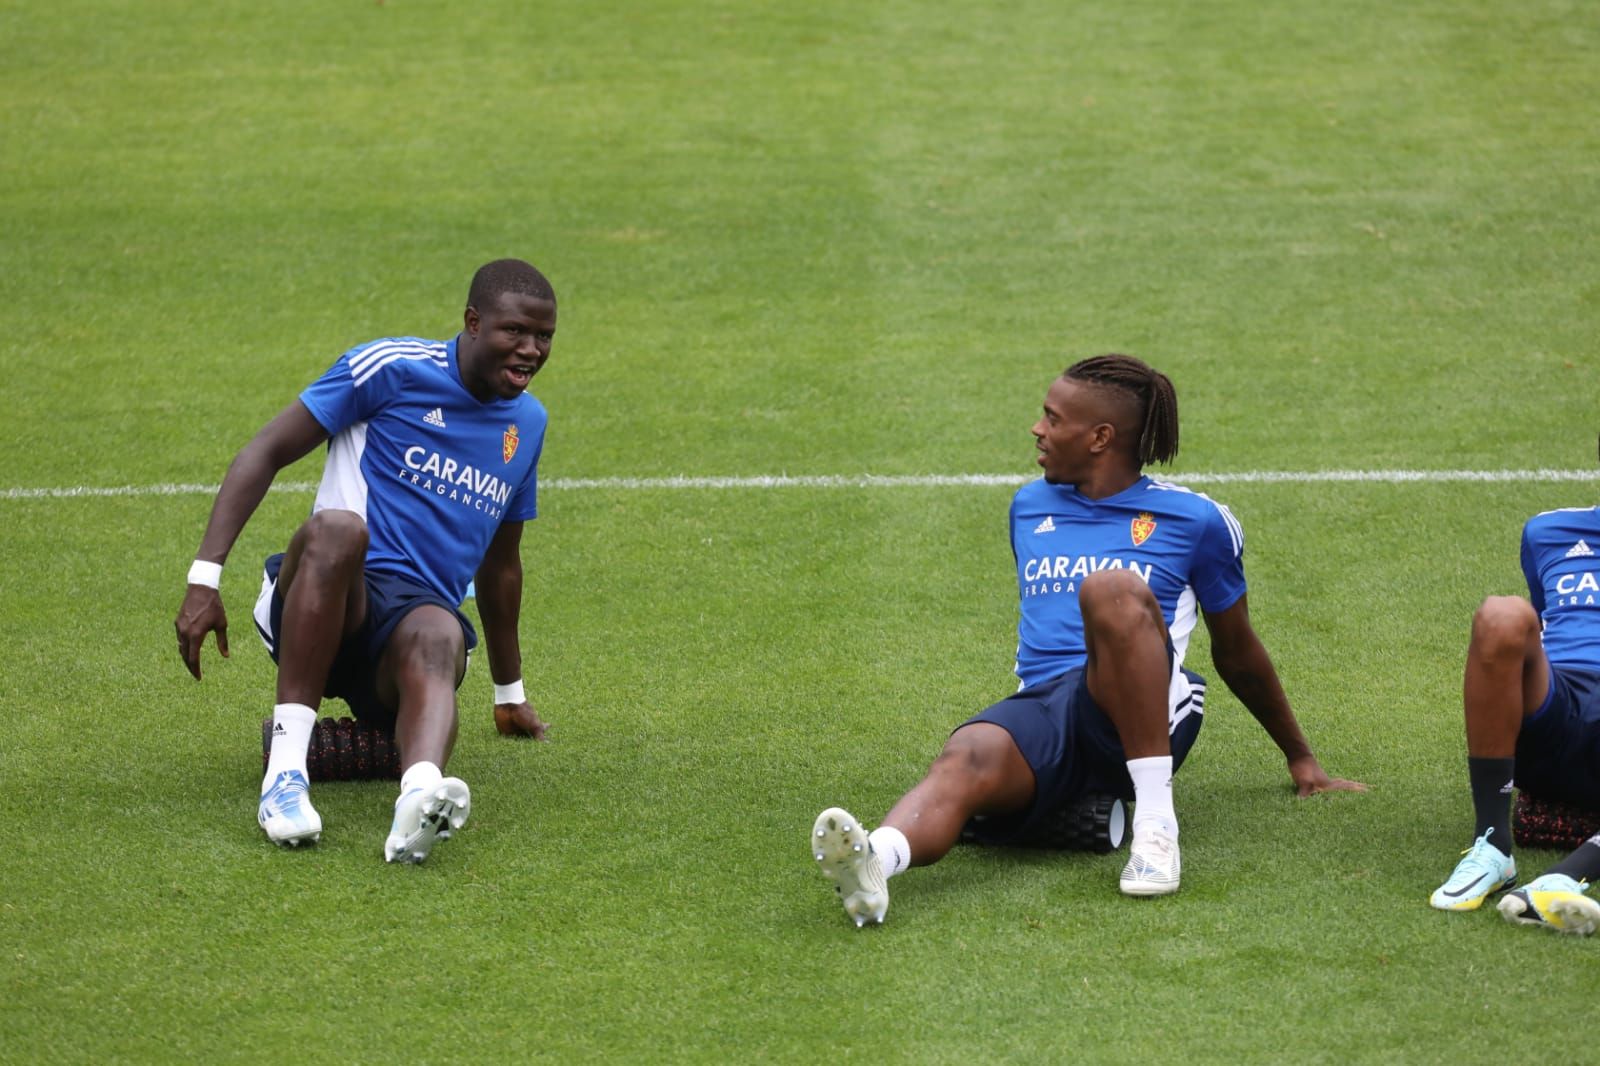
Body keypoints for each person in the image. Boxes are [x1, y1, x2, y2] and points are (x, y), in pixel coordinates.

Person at [810, 355, 1364, 927]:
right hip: (1048, 707)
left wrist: (1300, 756)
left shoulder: (1196, 520)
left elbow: (1238, 649)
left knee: (1111, 591)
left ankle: (1155, 826)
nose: (1037, 430)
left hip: (1149, 709)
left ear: (1100, 437)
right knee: (967, 754)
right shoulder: (1029, 506)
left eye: (1052, 418)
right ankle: (878, 861)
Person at [174, 258, 557, 863]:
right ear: (474, 322)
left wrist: (508, 691)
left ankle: (419, 799)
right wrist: (204, 579)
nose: (532, 349)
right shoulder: (393, 367)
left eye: (545, 337)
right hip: (328, 594)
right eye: (516, 331)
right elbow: (266, 450)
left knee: (438, 628)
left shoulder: (527, 425)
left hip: (408, 632)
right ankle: (285, 780)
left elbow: (501, 565)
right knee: (338, 530)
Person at [1428, 470, 1600, 934]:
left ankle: (1563, 877)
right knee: (1503, 615)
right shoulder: (1548, 531)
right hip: (1558, 707)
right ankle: (1493, 845)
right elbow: (1540, 620)